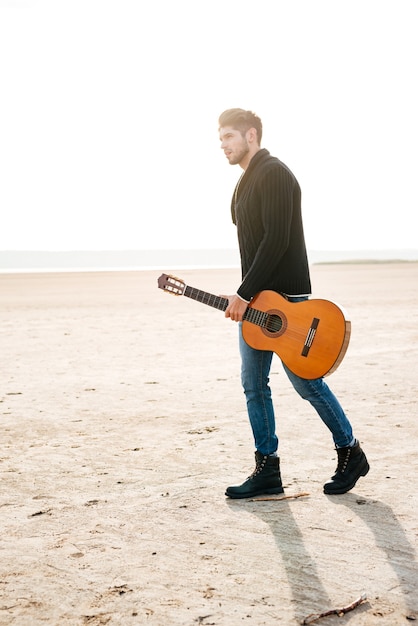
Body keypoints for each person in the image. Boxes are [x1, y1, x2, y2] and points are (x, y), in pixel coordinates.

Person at [218, 108, 369, 499]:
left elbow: (277, 242)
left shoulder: (276, 174)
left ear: (251, 135)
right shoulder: (244, 183)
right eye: (220, 139)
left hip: (286, 300)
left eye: (229, 137)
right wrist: (247, 293)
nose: (223, 146)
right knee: (254, 385)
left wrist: (243, 292)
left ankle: (350, 451)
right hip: (256, 302)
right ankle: (267, 470)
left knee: (307, 384)